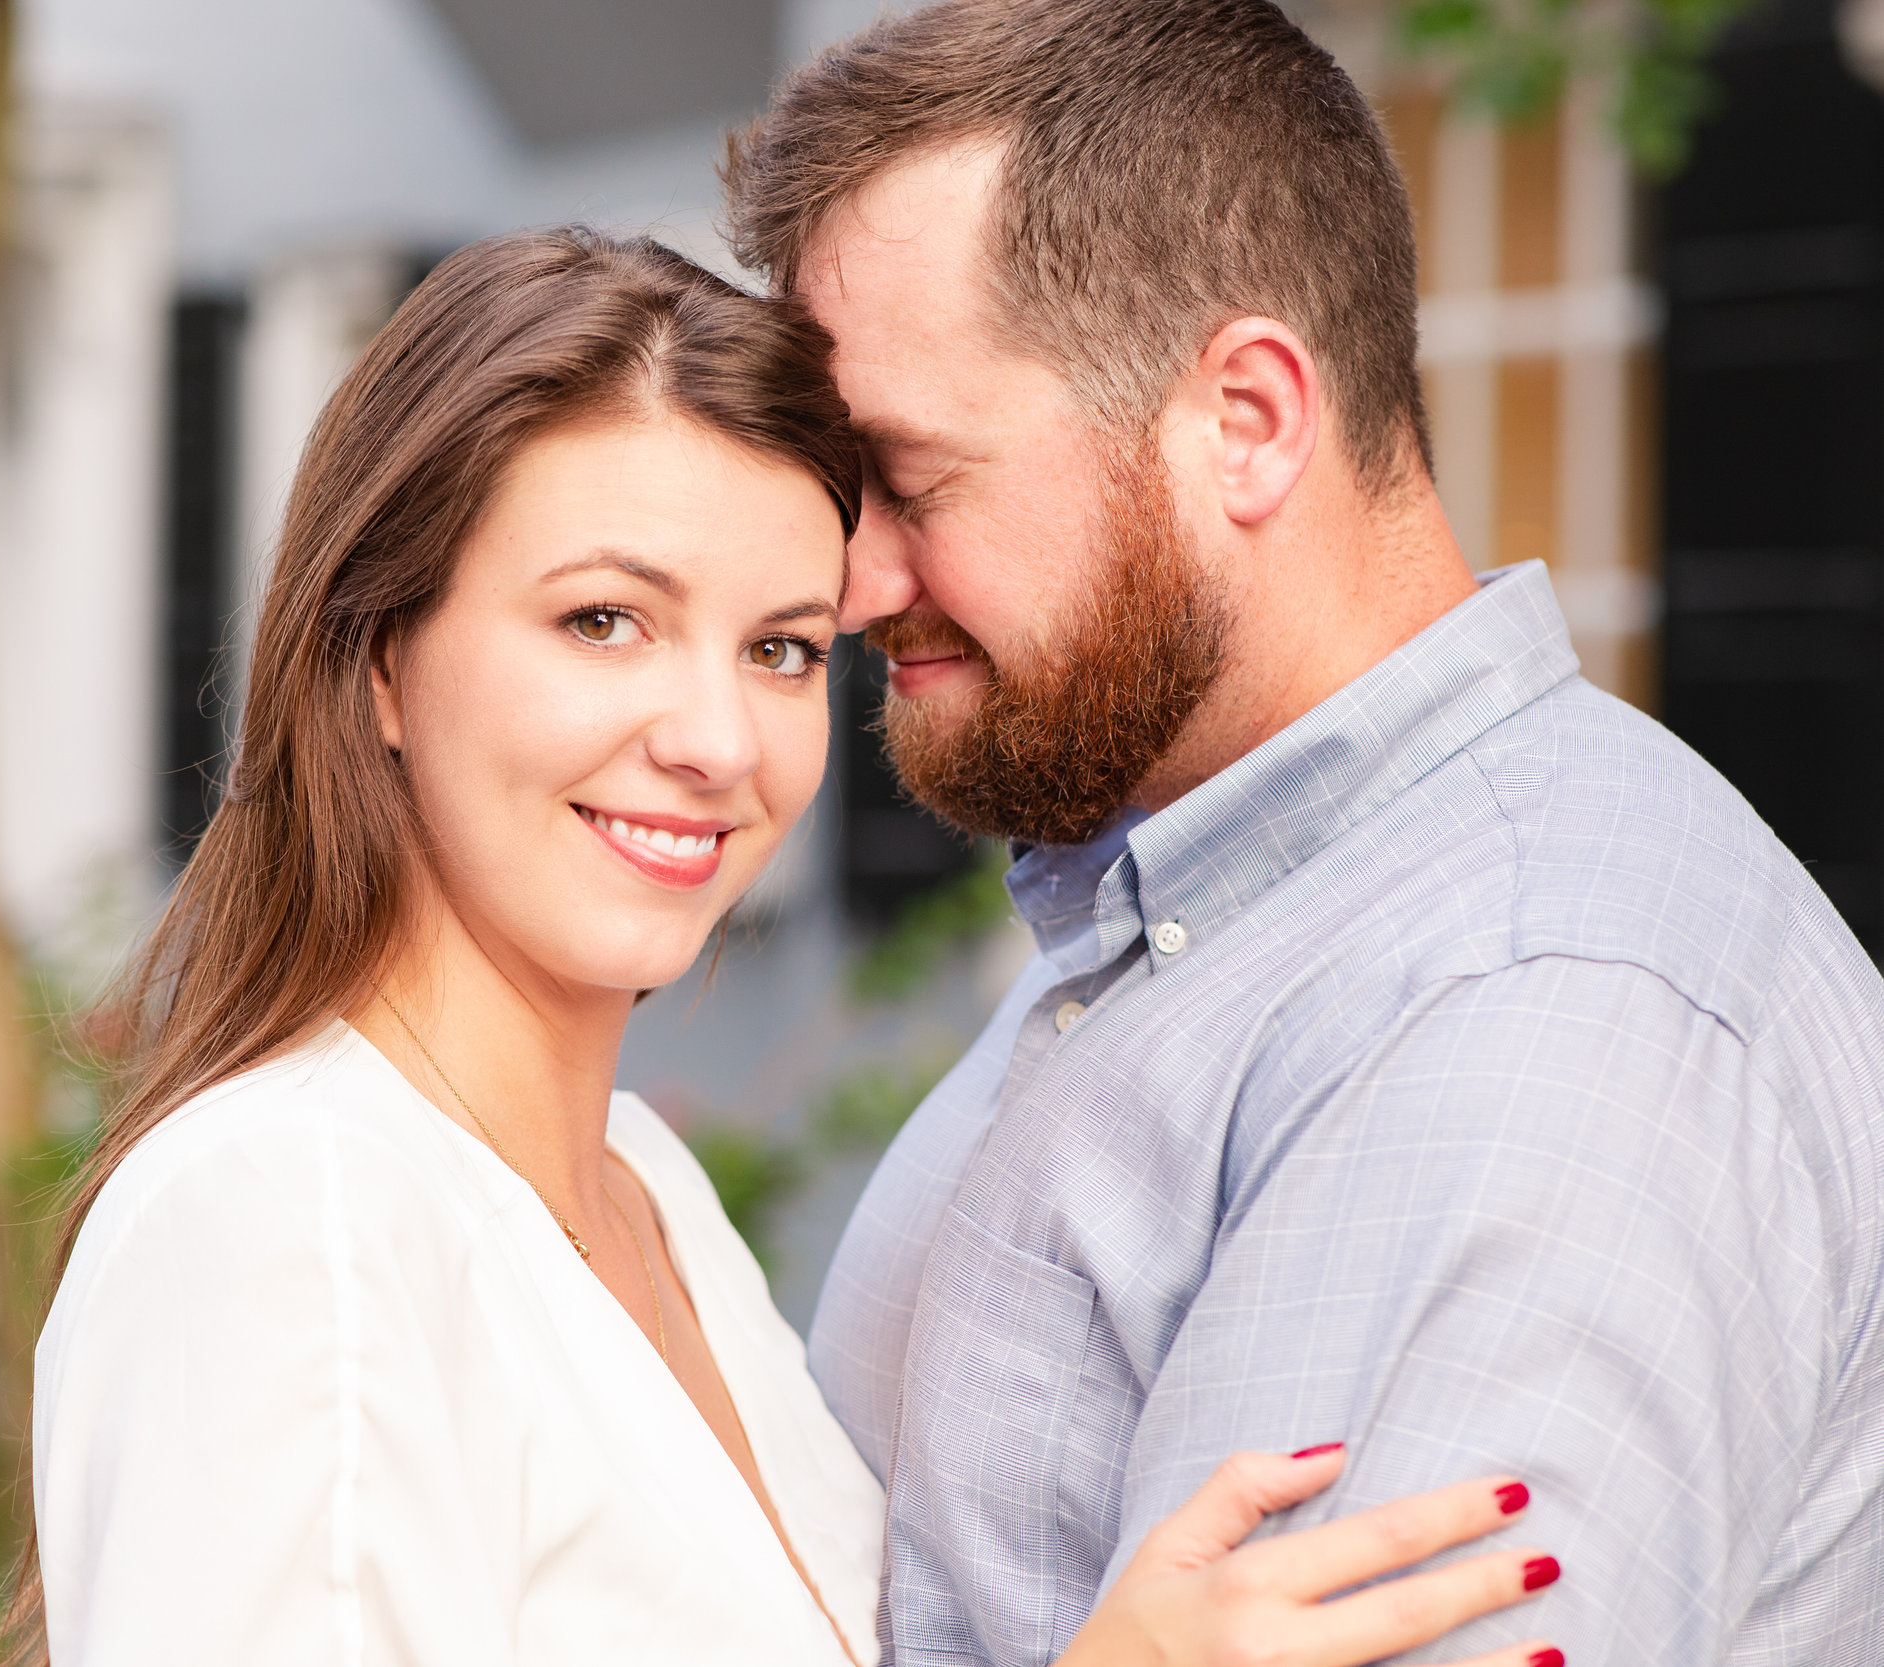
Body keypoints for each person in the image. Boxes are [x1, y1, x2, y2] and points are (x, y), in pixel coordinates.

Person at [5, 229, 1561, 1666]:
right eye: (603, 620)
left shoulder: (647, 1201)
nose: (712, 741)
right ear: (381, 664)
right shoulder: (295, 1222)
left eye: (780, 649)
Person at [721, 0, 1884, 1663]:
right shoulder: (1213, 902)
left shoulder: (1518, 1015)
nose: (850, 588)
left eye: (911, 479)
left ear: (1249, 420)